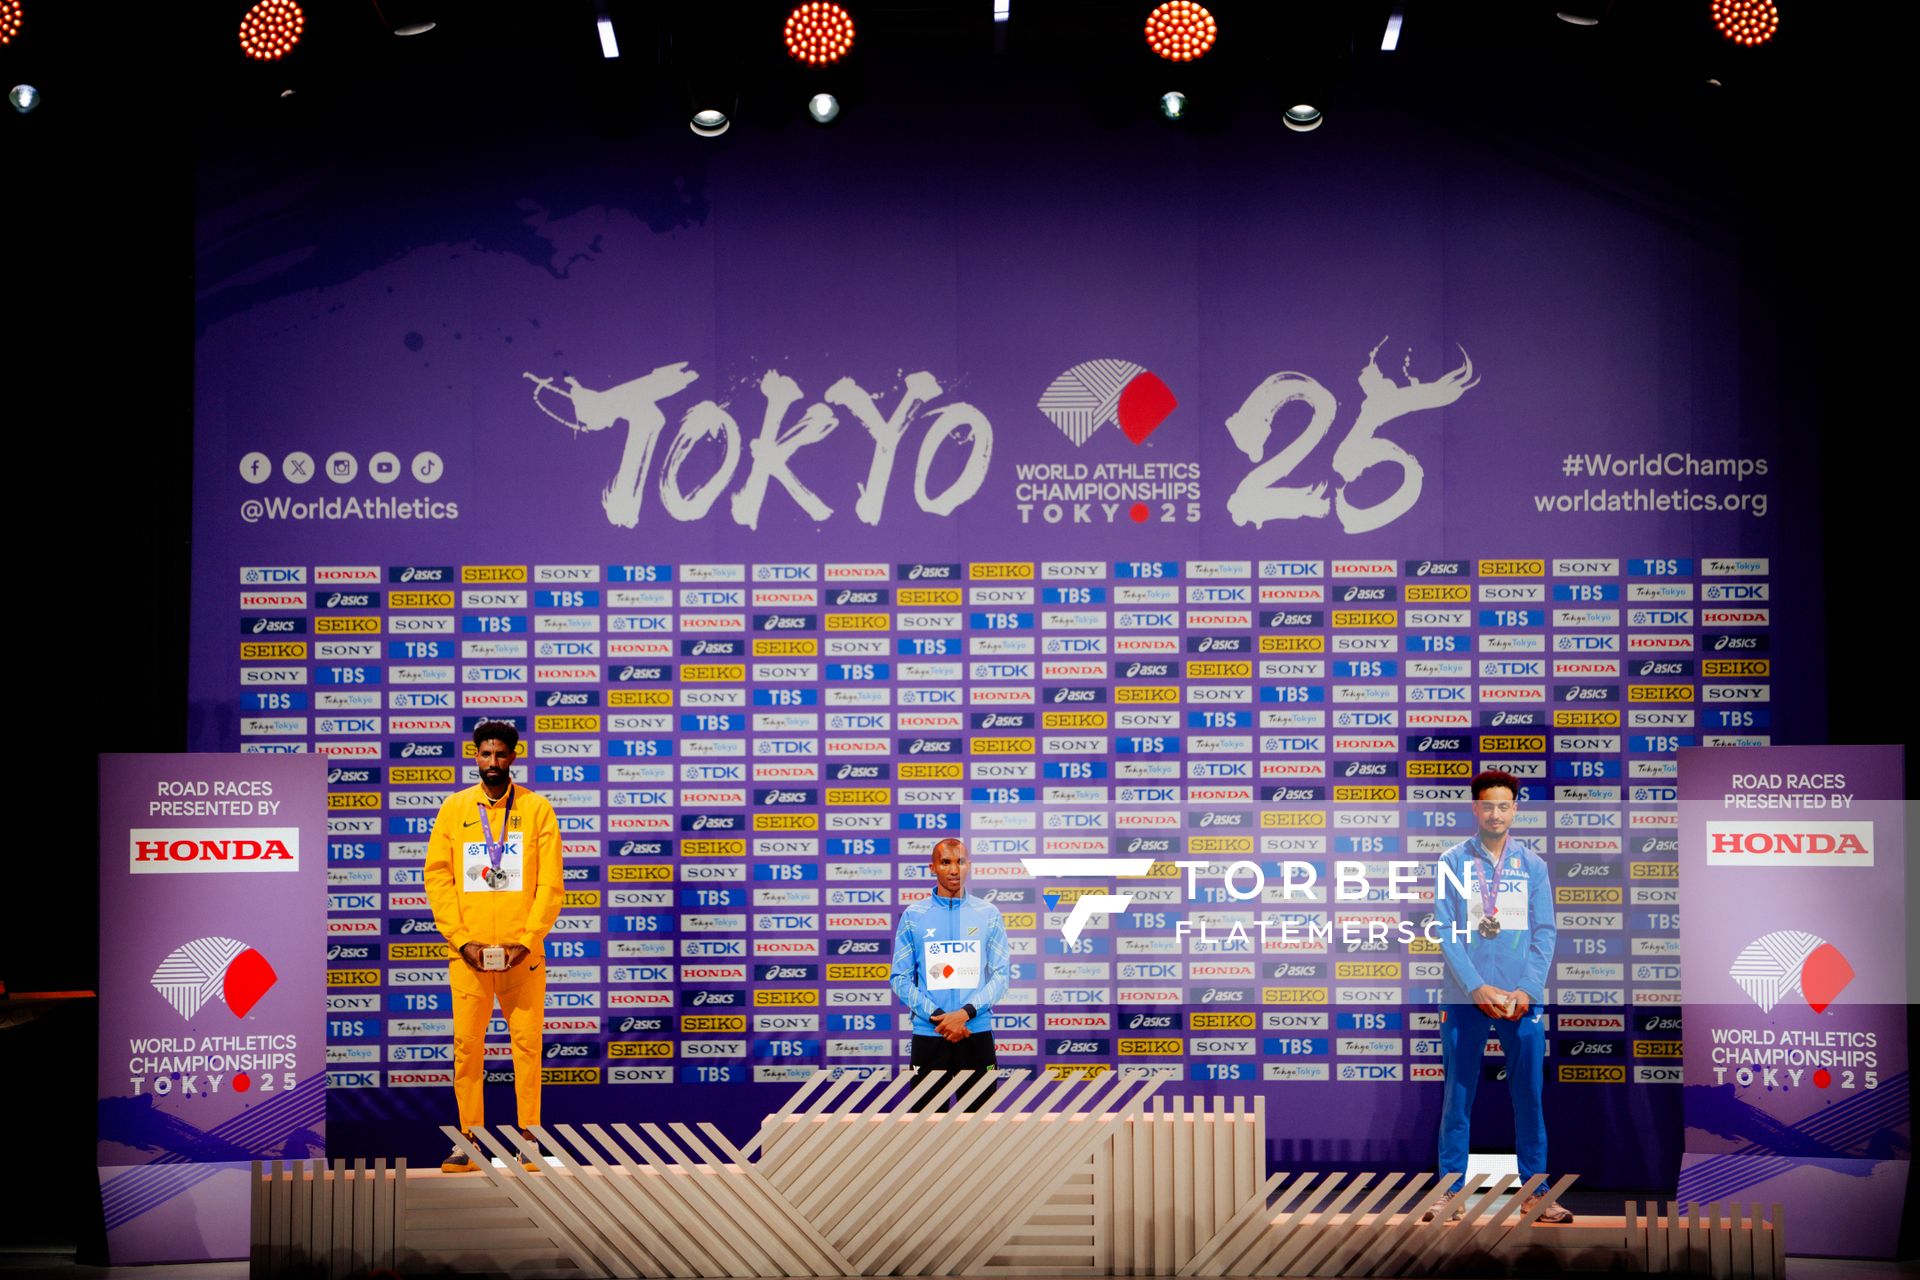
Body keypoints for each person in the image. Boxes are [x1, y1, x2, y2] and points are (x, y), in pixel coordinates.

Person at [1426, 769, 1571, 1223]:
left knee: (1528, 1096)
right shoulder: (1452, 861)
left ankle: (1537, 1194)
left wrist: (1527, 988)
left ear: (1515, 809)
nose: (1495, 813)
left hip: (1520, 1000)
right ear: (1475, 807)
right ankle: (1449, 1193)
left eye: (1503, 805)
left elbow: (1544, 930)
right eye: (1487, 805)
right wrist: (1476, 986)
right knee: (1458, 1096)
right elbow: (1446, 932)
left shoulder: (1532, 865)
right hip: (1464, 996)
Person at [424, 721, 563, 1172]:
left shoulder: (537, 809)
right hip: (469, 956)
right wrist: (462, 941)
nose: (492, 763)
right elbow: (438, 877)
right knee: (467, 1049)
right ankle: (468, 1142)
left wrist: (527, 940)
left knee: (527, 1047)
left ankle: (529, 1141)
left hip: (523, 958)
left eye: (501, 755)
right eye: (485, 755)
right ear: (474, 756)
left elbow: (550, 884)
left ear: (514, 757)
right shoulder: (455, 808)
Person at [888, 837, 1011, 1104]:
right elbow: (899, 978)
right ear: (932, 867)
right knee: (927, 1131)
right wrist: (940, 1018)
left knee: (981, 1130)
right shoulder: (914, 915)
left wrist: (965, 1014)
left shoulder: (988, 913)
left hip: (975, 1032)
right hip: (930, 1035)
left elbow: (1001, 975)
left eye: (960, 862)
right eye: (946, 862)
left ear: (969, 866)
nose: (954, 870)